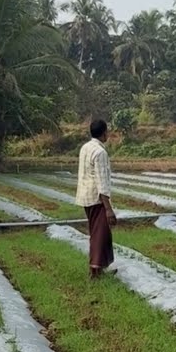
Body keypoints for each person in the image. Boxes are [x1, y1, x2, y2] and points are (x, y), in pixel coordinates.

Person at [75, 119, 116, 278]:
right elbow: (101, 180)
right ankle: (95, 271)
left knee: (98, 233)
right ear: (104, 133)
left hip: (85, 196)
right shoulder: (100, 152)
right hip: (96, 198)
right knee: (100, 235)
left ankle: (99, 268)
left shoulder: (85, 147)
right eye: (107, 132)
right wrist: (108, 209)